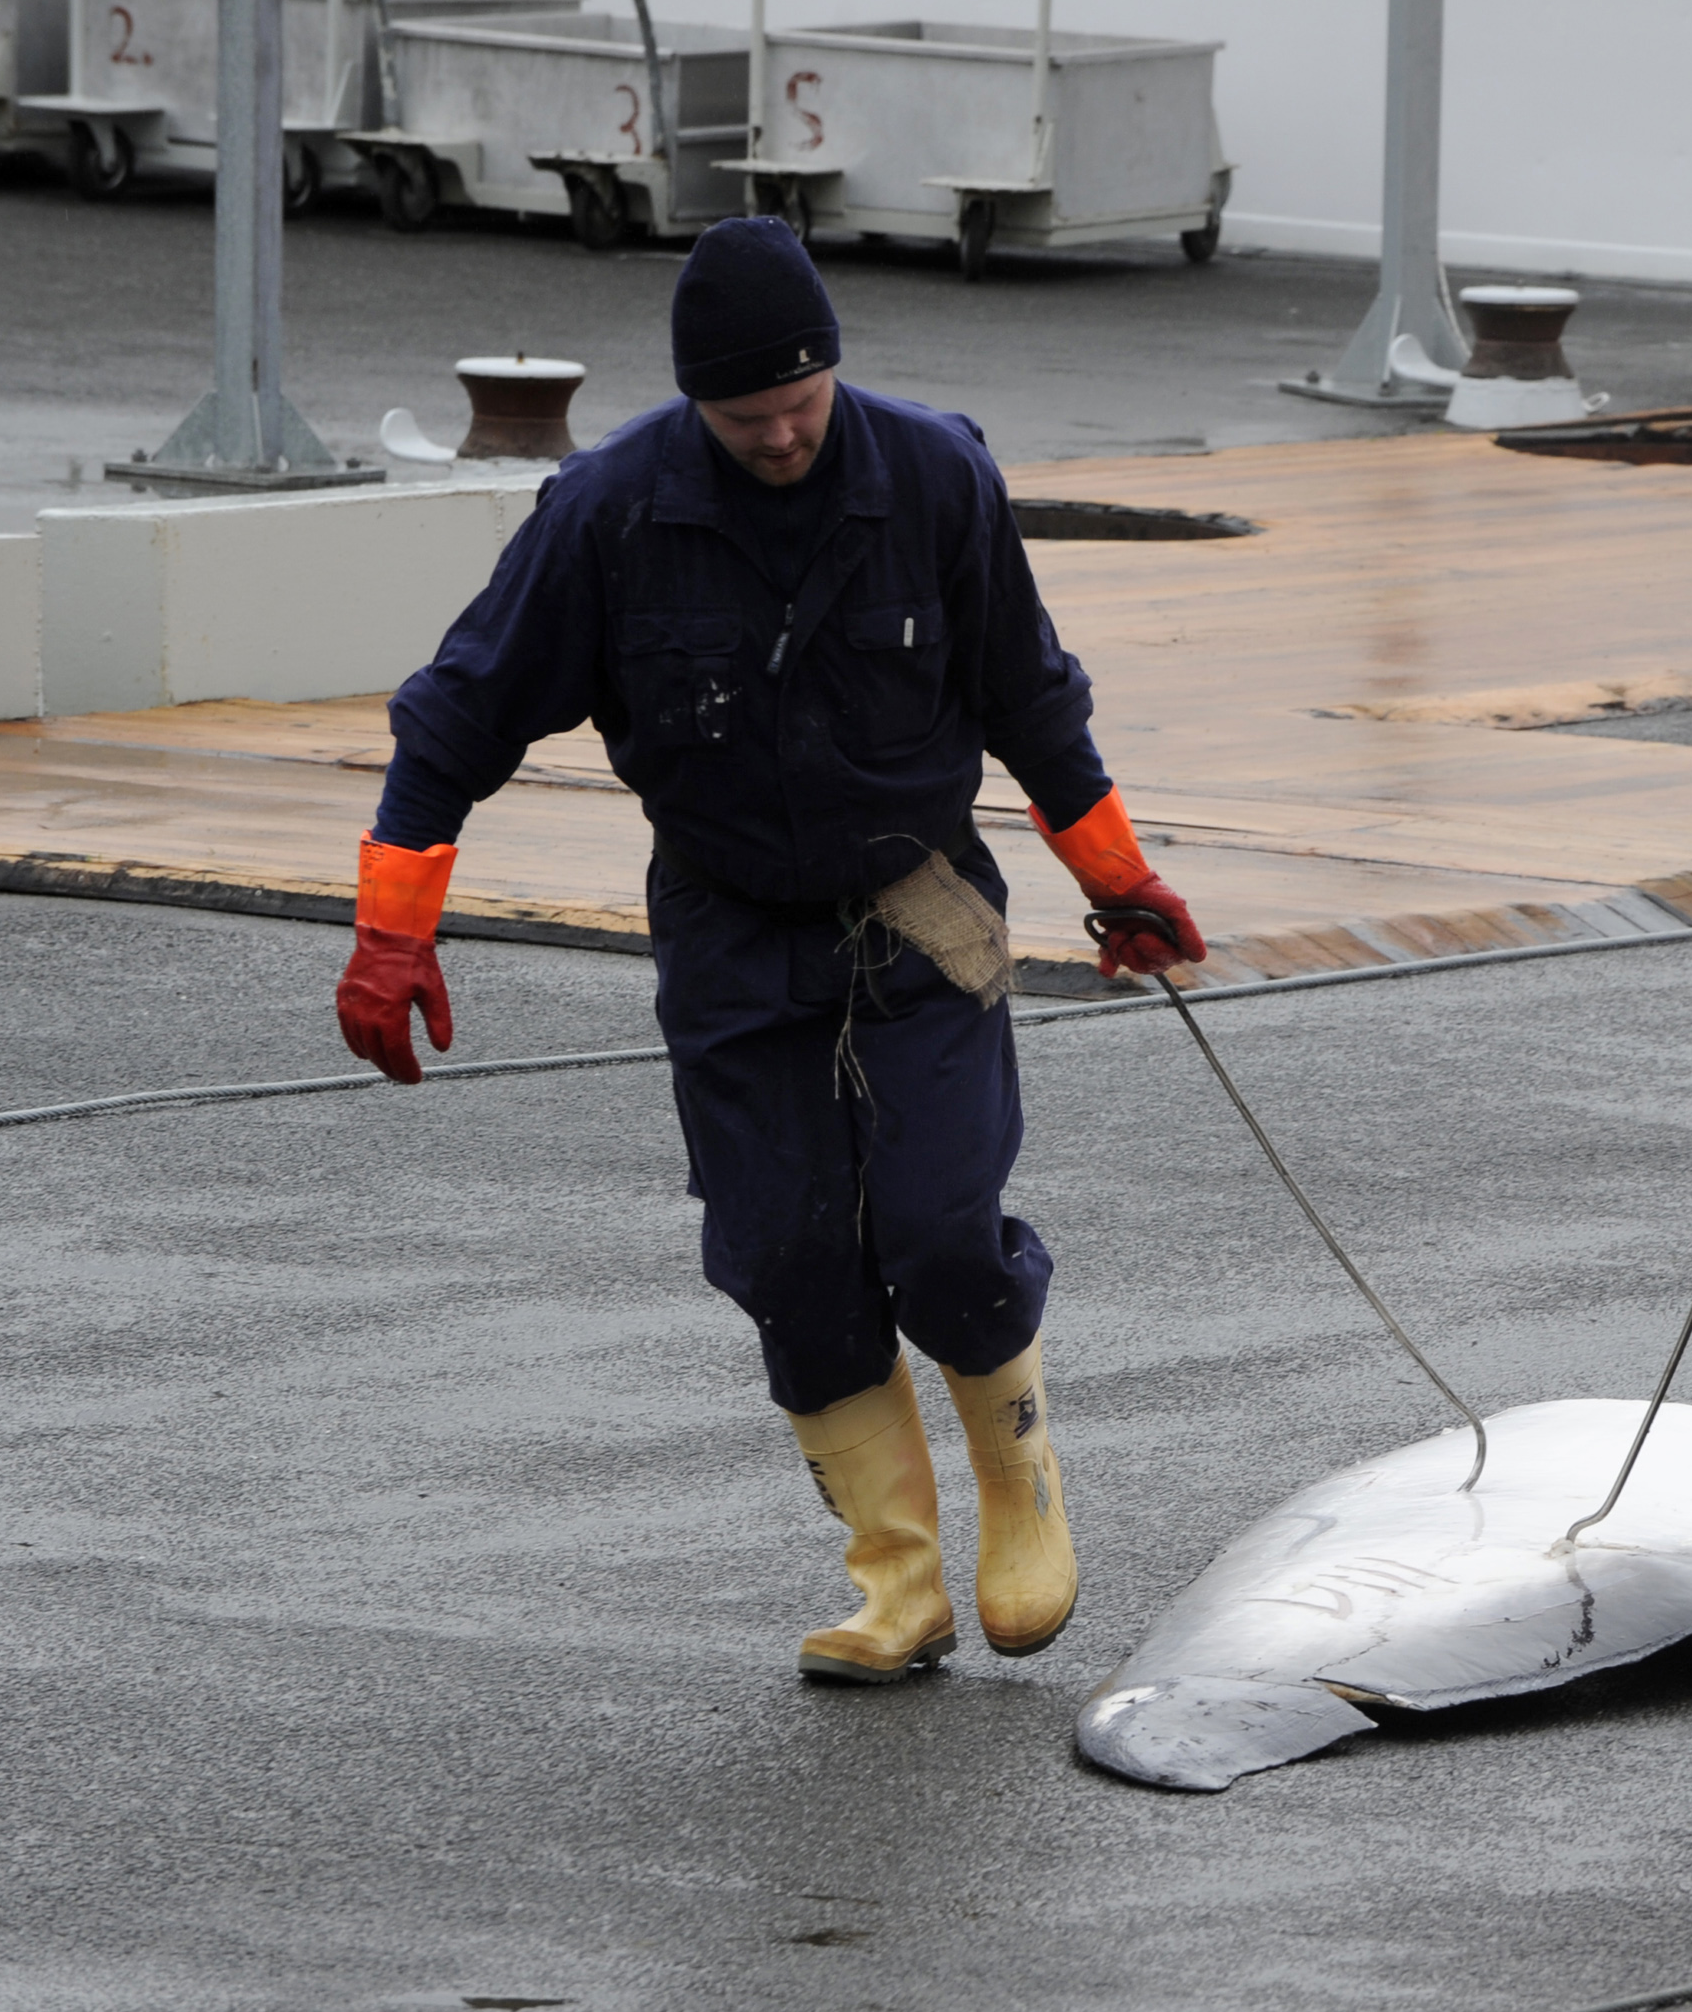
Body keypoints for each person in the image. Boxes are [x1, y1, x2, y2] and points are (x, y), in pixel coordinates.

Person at [331, 217, 1202, 1686]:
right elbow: (458, 713)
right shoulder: (610, 512)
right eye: (747, 418)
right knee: (786, 1252)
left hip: (925, 903)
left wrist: (1117, 879)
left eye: (801, 403)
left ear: (830, 372)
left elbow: (1031, 697)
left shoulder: (935, 477)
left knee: (938, 1224)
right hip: (730, 922)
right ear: (696, 404)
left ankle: (1021, 1492)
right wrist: (391, 926)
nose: (783, 435)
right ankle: (896, 1581)